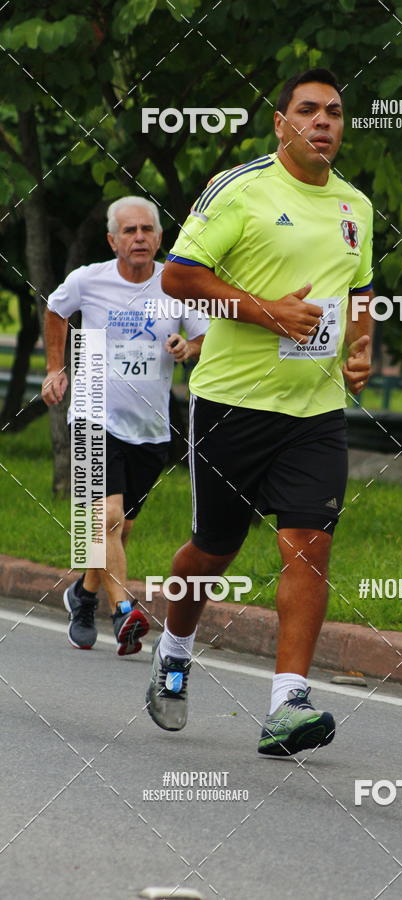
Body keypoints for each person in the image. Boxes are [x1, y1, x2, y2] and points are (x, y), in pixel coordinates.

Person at [146, 68, 374, 756]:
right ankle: (174, 648)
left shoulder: (356, 205)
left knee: (311, 546)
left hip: (315, 411)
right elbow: (178, 275)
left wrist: (361, 347)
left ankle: (287, 705)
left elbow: (360, 289)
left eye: (334, 111)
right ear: (281, 123)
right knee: (213, 548)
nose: (322, 121)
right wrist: (267, 312)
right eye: (307, 110)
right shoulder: (241, 189)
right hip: (231, 404)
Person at [43, 196, 208, 656]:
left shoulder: (175, 284)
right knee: (106, 518)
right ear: (112, 240)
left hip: (149, 427)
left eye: (147, 230)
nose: (139, 237)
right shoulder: (89, 279)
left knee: (120, 529)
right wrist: (55, 369)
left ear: (160, 237)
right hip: (92, 414)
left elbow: (202, 336)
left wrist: (187, 348)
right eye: (129, 231)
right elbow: (56, 310)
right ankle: (123, 611)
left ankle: (83, 594)